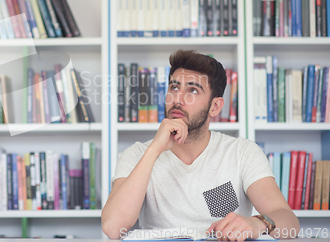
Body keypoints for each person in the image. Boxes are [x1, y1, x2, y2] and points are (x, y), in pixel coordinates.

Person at [101, 50, 299, 241]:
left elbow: (288, 221)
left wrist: (258, 224)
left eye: (193, 91)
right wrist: (154, 150)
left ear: (215, 107)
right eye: (174, 88)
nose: (177, 99)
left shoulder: (242, 152)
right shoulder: (137, 155)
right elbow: (112, 228)